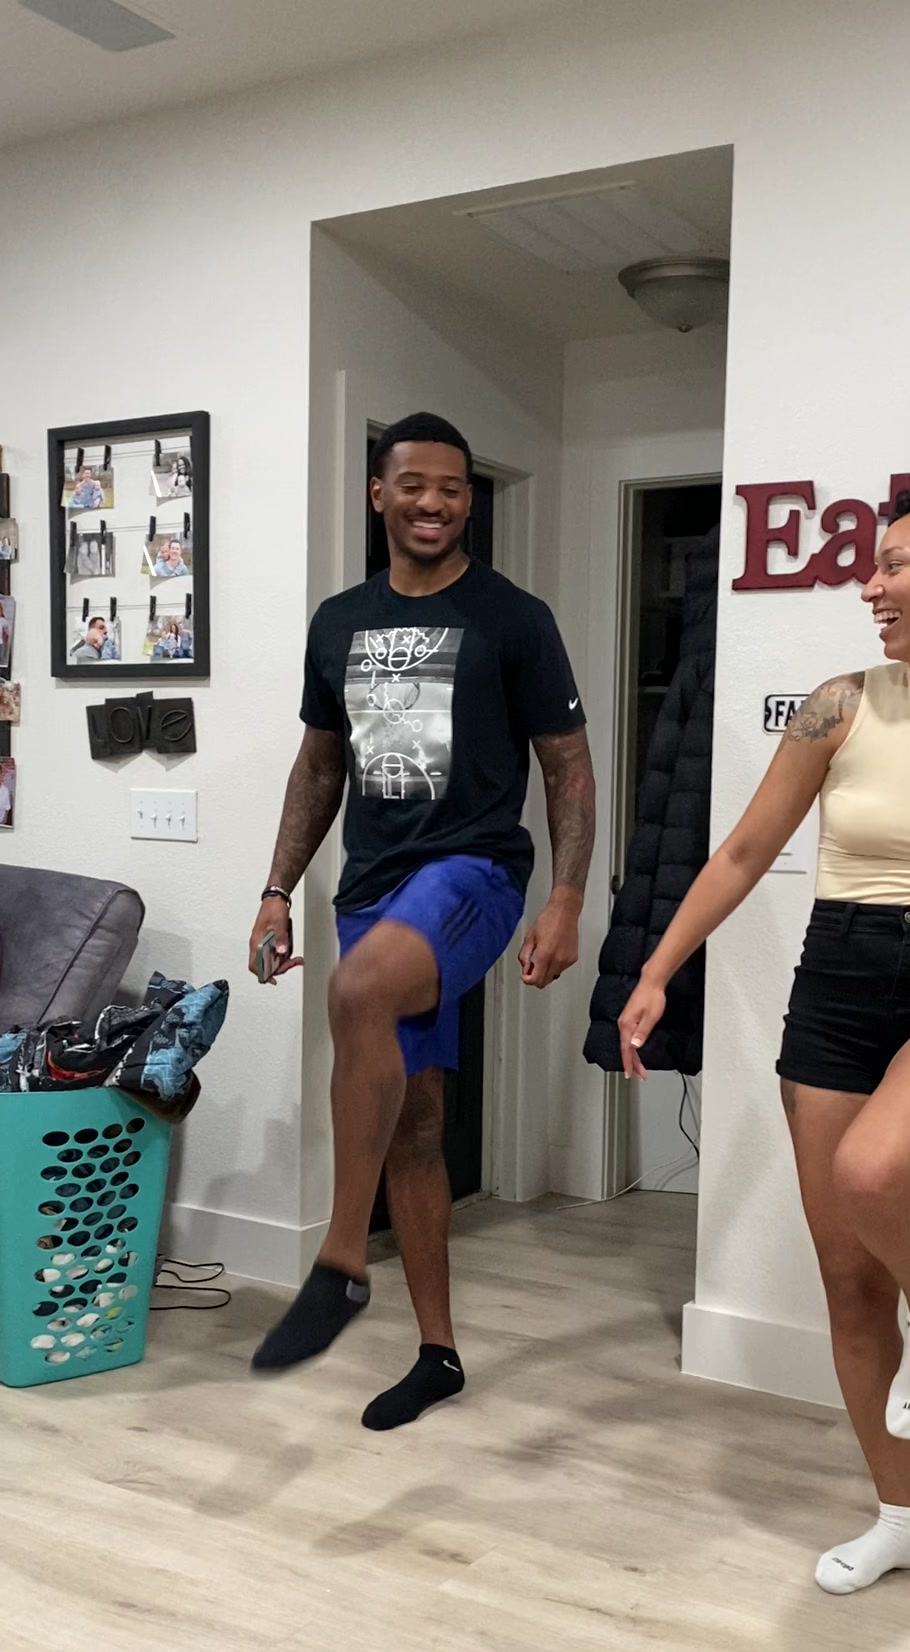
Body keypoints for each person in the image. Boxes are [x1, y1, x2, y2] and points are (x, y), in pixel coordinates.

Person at [617, 475, 910, 1596]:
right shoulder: (839, 705)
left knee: (876, 1177)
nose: (869, 585)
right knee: (843, 1274)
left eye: (894, 564)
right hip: (836, 977)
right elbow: (741, 853)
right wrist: (657, 970)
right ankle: (902, 1518)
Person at [248, 411, 595, 1428]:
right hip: (372, 888)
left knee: (357, 990)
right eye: (415, 485)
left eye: (452, 487)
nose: (435, 502)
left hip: (474, 872)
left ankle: (341, 1260)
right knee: (418, 1123)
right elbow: (320, 767)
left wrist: (566, 896)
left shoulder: (514, 618)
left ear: (467, 500)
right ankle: (438, 1355)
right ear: (380, 495)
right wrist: (276, 888)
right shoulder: (337, 622)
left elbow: (568, 768)